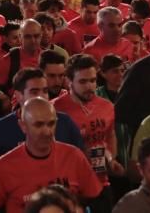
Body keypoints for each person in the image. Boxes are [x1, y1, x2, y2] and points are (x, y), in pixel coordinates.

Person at [0, 97, 102, 213]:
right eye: (38, 125)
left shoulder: (74, 157)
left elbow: (96, 200)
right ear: (23, 126)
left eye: (51, 124)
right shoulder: (3, 166)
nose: (47, 132)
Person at [0, 67, 85, 172]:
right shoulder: (0, 129)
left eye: (45, 91)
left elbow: (81, 160)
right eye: (34, 92)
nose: (42, 97)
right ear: (18, 96)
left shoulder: (64, 122)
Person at [52, 54, 121, 212]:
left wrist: (112, 160)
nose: (89, 86)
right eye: (83, 81)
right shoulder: (55, 109)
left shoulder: (106, 106)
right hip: (69, 186)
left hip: (100, 181)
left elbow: (110, 135)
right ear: (69, 82)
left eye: (92, 80)